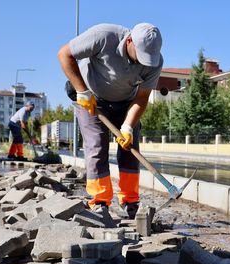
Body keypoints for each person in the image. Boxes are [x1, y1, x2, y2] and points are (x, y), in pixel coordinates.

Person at [57, 23, 163, 218]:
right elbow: (64, 54)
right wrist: (82, 91)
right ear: (129, 40)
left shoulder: (154, 62)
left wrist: (128, 126)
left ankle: (131, 203)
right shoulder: (103, 36)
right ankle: (99, 202)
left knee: (130, 149)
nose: (144, 62)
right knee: (97, 146)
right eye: (140, 55)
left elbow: (141, 98)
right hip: (91, 99)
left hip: (126, 104)